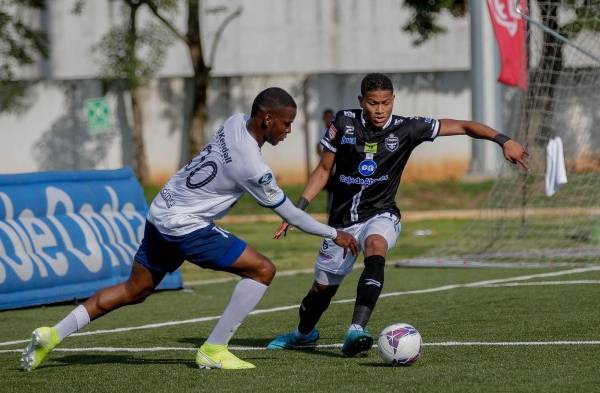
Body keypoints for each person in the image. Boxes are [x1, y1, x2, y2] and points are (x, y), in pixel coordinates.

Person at [21, 87, 358, 371]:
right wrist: (335, 234)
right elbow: (291, 215)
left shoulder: (233, 122)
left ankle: (52, 334)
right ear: (267, 118)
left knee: (134, 289)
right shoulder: (252, 166)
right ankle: (213, 349)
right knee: (262, 270)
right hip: (185, 225)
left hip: (162, 211)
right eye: (286, 124)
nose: (288, 130)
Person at [267, 73, 528, 357]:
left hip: (381, 213)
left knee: (376, 248)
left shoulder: (408, 128)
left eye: (385, 103)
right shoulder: (343, 122)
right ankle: (303, 335)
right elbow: (322, 170)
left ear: (393, 101)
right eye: (372, 103)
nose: (379, 110)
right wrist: (296, 210)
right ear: (361, 102)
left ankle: (356, 330)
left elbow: (465, 126)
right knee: (321, 291)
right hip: (342, 222)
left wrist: (504, 140)